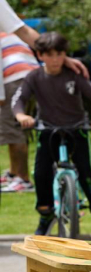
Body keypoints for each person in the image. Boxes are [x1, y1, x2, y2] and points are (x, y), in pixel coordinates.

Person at [13, 32, 91, 239]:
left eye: (59, 54)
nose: (55, 59)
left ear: (65, 54)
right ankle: (46, 214)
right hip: (48, 131)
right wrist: (22, 115)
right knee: (40, 174)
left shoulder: (74, 74)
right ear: (40, 55)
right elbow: (19, 100)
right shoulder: (34, 77)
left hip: (76, 130)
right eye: (49, 55)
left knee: (87, 175)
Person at [0, 32, 38, 193]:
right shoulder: (8, 33)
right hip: (34, 76)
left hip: (14, 78)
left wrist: (0, 95)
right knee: (18, 126)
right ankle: (14, 173)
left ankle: (23, 179)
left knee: (11, 126)